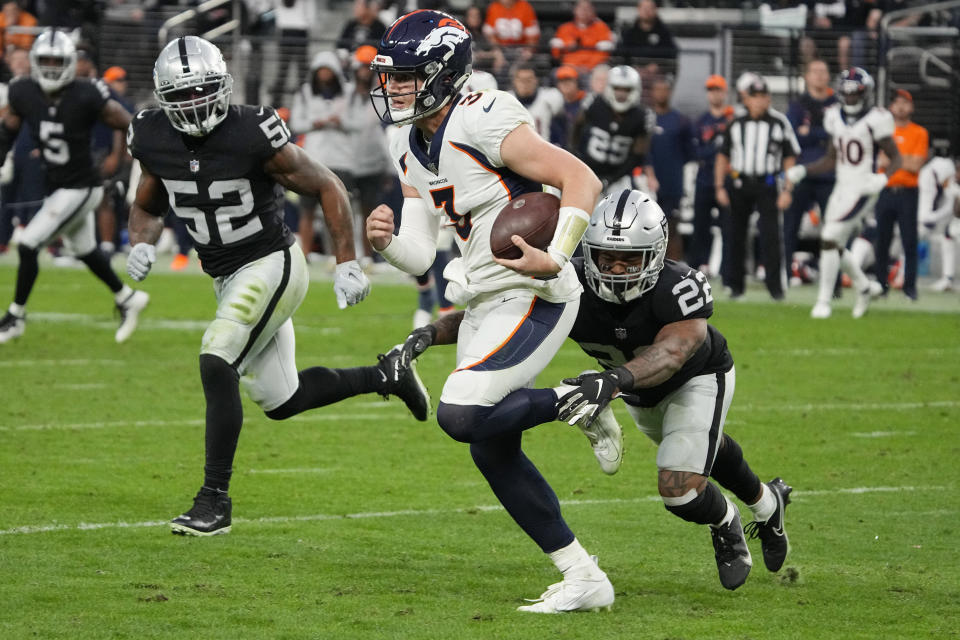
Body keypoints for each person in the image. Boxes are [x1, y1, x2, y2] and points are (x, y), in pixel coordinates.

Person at [397, 188, 793, 592]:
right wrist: (430, 332)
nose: (617, 269)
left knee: (680, 488)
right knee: (697, 446)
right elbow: (500, 315)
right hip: (632, 387)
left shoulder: (678, 285)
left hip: (696, 378)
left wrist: (615, 380)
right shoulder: (568, 281)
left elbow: (675, 352)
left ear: (655, 254)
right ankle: (767, 503)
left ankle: (724, 521)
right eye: (607, 257)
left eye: (629, 260)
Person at [125, 36, 427, 537]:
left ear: (222, 87)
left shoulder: (251, 131)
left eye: (202, 92)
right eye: (181, 97)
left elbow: (328, 184)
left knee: (216, 357)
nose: (195, 105)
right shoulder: (152, 136)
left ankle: (213, 501)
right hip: (225, 276)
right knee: (282, 401)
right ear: (163, 100)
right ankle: (386, 376)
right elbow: (147, 204)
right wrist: (141, 241)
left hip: (271, 262)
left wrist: (346, 262)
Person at [366, 10, 615, 613]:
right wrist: (387, 245)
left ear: (443, 73)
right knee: (489, 443)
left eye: (406, 76)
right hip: (483, 295)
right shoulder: (406, 139)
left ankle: (577, 398)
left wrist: (556, 256)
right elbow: (422, 252)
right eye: (390, 77)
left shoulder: (483, 116)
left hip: (536, 292)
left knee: (458, 413)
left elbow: (581, 178)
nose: (393, 87)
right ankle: (583, 576)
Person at [0, 30, 148, 345]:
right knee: (85, 251)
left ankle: (15, 316)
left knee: (28, 243)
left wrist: (130, 158)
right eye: (45, 61)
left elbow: (129, 123)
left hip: (83, 187)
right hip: (58, 187)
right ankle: (127, 297)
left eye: (58, 61)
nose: (52, 67)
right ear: (35, 63)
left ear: (69, 63)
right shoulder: (23, 92)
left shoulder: (86, 94)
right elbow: (5, 133)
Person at [786, 67, 902, 318]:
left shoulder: (876, 118)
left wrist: (882, 178)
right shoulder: (833, 117)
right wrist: (804, 170)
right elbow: (831, 159)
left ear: (865, 93)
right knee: (833, 242)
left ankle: (824, 301)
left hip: (863, 186)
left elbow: (896, 157)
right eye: (846, 93)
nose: (850, 98)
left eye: (855, 93)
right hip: (842, 185)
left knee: (829, 236)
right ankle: (862, 286)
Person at [715, 76, 799, 301]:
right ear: (747, 99)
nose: (760, 101)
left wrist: (788, 189)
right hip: (739, 183)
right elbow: (722, 156)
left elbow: (790, 158)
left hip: (768, 184)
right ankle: (734, 286)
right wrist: (720, 186)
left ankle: (775, 289)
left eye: (763, 97)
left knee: (771, 237)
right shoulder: (735, 123)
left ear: (769, 99)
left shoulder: (779, 123)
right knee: (735, 235)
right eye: (755, 97)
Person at [289, 51, 353, 261]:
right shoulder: (305, 93)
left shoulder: (349, 93)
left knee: (338, 211)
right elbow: (296, 123)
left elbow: (359, 123)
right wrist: (313, 124)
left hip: (341, 158)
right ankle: (305, 254)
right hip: (312, 158)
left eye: (328, 70)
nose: (324, 74)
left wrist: (340, 122)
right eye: (321, 70)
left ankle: (339, 256)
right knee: (306, 210)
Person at [783, 59, 837, 280]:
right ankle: (784, 276)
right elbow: (792, 136)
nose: (819, 75)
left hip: (829, 174)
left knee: (834, 230)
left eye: (823, 71)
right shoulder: (798, 105)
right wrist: (821, 134)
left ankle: (833, 280)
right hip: (802, 172)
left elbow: (837, 136)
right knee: (790, 226)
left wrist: (809, 133)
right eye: (814, 71)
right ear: (806, 76)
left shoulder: (837, 104)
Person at [873, 89, 928, 300]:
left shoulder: (919, 132)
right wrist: (904, 160)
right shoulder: (883, 132)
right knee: (882, 240)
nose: (901, 107)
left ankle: (910, 288)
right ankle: (881, 285)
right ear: (891, 107)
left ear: (911, 107)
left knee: (909, 240)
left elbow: (915, 165)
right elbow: (880, 161)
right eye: (897, 102)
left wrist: (894, 159)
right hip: (885, 189)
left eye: (905, 102)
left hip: (908, 192)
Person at [572, 64, 656, 192]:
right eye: (617, 88)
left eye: (626, 90)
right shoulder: (594, 103)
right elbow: (575, 129)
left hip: (619, 178)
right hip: (587, 172)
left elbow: (637, 156)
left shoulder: (642, 116)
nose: (621, 94)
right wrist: (577, 160)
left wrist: (610, 180)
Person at [690, 74, 733, 281]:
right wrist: (715, 148)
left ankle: (727, 269)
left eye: (718, 90)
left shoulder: (732, 119)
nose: (714, 94)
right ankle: (699, 265)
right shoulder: (701, 121)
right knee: (701, 226)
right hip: (704, 179)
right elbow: (698, 152)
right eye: (711, 90)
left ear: (725, 92)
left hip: (727, 181)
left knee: (728, 226)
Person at [646, 75, 694, 261]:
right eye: (657, 89)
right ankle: (650, 263)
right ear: (652, 92)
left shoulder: (681, 121)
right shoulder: (646, 119)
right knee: (648, 225)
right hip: (648, 183)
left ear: (670, 92)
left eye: (664, 89)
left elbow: (690, 153)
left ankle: (672, 264)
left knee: (672, 226)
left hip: (673, 182)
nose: (661, 94)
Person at [917, 156, 960, 291]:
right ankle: (947, 279)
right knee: (949, 234)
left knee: (951, 233)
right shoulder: (949, 181)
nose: (956, 175)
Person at [549, 0, 615, 73]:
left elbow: (603, 54)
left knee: (602, 73)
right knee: (555, 73)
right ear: (574, 10)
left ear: (593, 11)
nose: (584, 11)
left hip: (593, 70)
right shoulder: (564, 28)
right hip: (569, 68)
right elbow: (556, 54)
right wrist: (572, 66)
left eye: (587, 8)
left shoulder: (602, 28)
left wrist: (589, 67)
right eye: (581, 8)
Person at [269, 0, 313, 107]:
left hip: (294, 31)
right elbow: (311, 18)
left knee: (300, 71)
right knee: (286, 71)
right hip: (292, 31)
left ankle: (304, 103)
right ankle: (277, 104)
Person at [619, 0, 677, 77]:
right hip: (632, 74)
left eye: (650, 8)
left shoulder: (664, 32)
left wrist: (658, 65)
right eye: (644, 8)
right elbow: (620, 52)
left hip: (657, 74)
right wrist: (634, 67)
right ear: (638, 10)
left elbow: (672, 52)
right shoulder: (629, 32)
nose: (647, 11)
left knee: (661, 87)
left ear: (655, 10)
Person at [509, 63, 564, 143]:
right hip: (515, 152)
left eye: (529, 80)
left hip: (544, 151)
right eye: (521, 80)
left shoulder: (549, 98)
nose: (525, 84)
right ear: (514, 81)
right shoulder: (506, 100)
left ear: (536, 80)